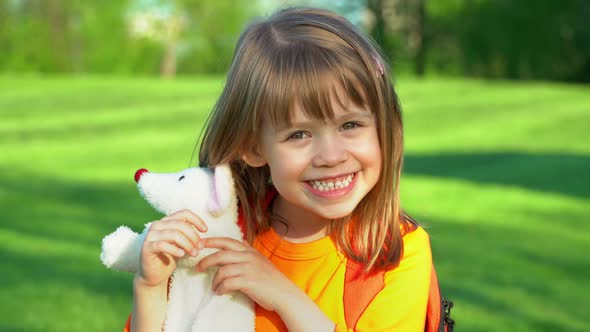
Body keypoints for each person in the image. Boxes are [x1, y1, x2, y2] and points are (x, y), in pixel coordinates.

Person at [127, 7, 432, 332]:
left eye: (350, 124)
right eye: (298, 134)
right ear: (253, 147)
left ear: (384, 127)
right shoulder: (220, 236)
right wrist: (150, 287)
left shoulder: (395, 254)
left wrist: (282, 294)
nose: (330, 156)